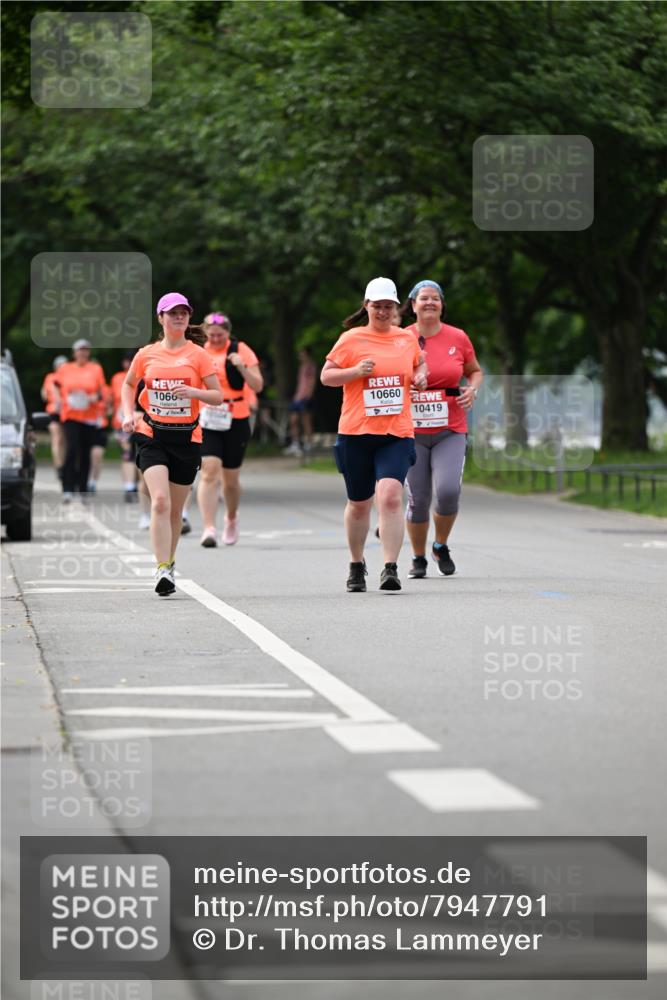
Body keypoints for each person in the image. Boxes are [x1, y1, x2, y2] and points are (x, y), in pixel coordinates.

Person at [321, 277, 427, 592]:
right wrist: (355, 372)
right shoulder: (350, 339)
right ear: (366, 306)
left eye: (388, 306)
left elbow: (420, 366)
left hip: (396, 432)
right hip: (356, 432)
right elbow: (327, 376)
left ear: (396, 308)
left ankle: (390, 567)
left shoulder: (406, 339)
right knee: (359, 503)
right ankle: (356, 564)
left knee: (391, 496)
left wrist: (421, 378)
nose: (382, 311)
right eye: (377, 306)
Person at [120, 293, 222, 595]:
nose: (178, 317)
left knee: (176, 511)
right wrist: (129, 413)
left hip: (187, 437)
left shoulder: (199, 355)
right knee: (160, 501)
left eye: (183, 313)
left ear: (189, 318)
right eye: (172, 313)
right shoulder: (146, 353)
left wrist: (193, 392)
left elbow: (217, 395)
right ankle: (162, 569)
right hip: (152, 435)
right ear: (160, 318)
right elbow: (129, 384)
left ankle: (170, 560)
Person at [403, 279, 483, 578]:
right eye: (424, 298)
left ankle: (440, 544)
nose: (430, 303)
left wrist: (472, 389)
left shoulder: (458, 337)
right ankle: (418, 556)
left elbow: (474, 371)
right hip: (411, 430)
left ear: (442, 305)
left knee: (448, 492)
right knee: (419, 498)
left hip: (451, 426)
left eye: (435, 298)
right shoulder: (401, 337)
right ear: (413, 305)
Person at [196, 311, 263, 547]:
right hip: (208, 417)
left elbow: (258, 384)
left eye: (220, 335)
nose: (215, 339)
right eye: (211, 335)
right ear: (205, 333)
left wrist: (242, 367)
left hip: (236, 416)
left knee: (231, 481)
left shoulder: (240, 349)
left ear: (228, 332)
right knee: (209, 470)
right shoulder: (200, 353)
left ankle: (231, 517)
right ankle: (208, 528)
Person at [53, 339, 107, 502]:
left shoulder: (95, 369)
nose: (82, 353)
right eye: (79, 350)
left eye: (85, 350)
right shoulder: (65, 368)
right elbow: (55, 385)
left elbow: (101, 392)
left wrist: (93, 397)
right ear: (74, 352)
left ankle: (83, 489)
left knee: (85, 453)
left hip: (89, 416)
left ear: (89, 352)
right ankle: (67, 488)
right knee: (72, 449)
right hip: (70, 415)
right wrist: (59, 400)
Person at [110, 352, 139, 502]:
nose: (129, 365)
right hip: (122, 422)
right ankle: (129, 487)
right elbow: (111, 399)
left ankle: (139, 485)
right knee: (127, 454)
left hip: (141, 421)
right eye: (128, 361)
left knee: (140, 455)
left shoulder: (145, 375)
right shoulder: (117, 378)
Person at [284, 346, 317, 456]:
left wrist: (308, 396)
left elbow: (312, 382)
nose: (300, 355)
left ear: (307, 354)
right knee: (293, 420)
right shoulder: (301, 366)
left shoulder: (310, 366)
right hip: (297, 397)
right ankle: (295, 443)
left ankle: (309, 443)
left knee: (306, 421)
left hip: (305, 397)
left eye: (302, 353)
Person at [40, 355, 67, 482]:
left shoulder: (53, 377)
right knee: (57, 440)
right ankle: (60, 467)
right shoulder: (51, 377)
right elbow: (44, 394)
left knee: (63, 441)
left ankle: (63, 465)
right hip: (54, 412)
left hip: (65, 412)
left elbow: (44, 395)